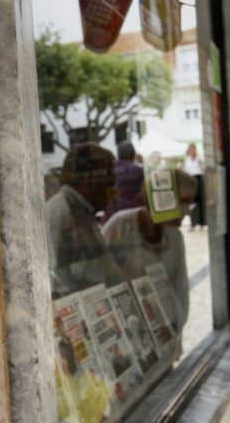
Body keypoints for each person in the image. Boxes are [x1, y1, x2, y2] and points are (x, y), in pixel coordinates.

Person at [101, 170, 196, 362]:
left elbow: (180, 291)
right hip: (126, 340)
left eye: (190, 203)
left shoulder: (175, 238)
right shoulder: (120, 225)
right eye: (182, 202)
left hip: (161, 339)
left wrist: (176, 339)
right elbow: (99, 278)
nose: (187, 211)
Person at [46, 143, 125, 297]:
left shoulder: (83, 212)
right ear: (91, 179)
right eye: (110, 183)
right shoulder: (60, 213)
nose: (114, 191)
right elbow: (52, 281)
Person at [101, 141, 144, 224]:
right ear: (133, 154)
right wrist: (143, 162)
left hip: (110, 219)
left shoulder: (110, 171)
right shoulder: (137, 171)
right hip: (132, 220)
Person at [181, 143, 206, 231]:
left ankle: (202, 223)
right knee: (192, 203)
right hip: (190, 180)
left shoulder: (199, 159)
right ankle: (193, 223)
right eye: (190, 149)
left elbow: (203, 169)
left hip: (199, 179)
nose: (191, 151)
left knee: (201, 202)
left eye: (193, 149)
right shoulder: (186, 160)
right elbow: (184, 170)